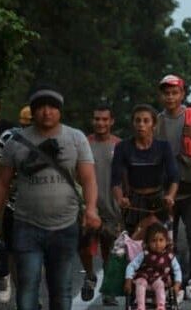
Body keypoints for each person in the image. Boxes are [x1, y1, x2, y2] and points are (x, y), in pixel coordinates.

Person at [0, 84, 101, 310]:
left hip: (65, 225)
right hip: (26, 225)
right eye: (40, 107)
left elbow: (89, 178)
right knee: (27, 288)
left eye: (52, 106)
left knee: (61, 290)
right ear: (32, 111)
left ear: (60, 110)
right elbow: (1, 185)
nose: (46, 112)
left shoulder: (76, 138)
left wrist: (91, 209)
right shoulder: (16, 142)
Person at [155, 74, 191, 307]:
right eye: (166, 93)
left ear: (182, 94)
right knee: (167, 239)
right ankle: (172, 281)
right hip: (167, 190)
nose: (170, 97)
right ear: (161, 96)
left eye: (174, 93)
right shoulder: (157, 120)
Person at [111, 105, 179, 234]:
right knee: (134, 244)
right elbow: (115, 180)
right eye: (137, 120)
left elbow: (174, 177)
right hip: (134, 202)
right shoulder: (122, 147)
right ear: (133, 123)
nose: (141, 124)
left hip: (159, 201)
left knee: (160, 243)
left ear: (153, 124)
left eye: (146, 121)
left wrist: (170, 196)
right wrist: (120, 199)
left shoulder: (163, 147)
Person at [79, 103, 121, 305]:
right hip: (89, 206)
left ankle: (109, 288)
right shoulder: (83, 143)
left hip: (113, 208)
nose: (100, 123)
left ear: (111, 121)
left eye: (105, 119)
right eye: (97, 119)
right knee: (85, 247)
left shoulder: (120, 145)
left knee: (110, 250)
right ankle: (89, 275)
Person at [124, 223, 182, 310]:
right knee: (140, 282)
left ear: (166, 241)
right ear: (148, 242)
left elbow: (177, 270)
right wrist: (128, 280)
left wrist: (177, 284)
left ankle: (161, 306)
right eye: (154, 241)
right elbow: (131, 266)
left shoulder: (170, 256)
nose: (158, 244)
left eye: (161, 240)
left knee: (160, 284)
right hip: (144, 278)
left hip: (159, 279)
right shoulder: (145, 254)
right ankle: (140, 306)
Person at [0, 87, 14, 303]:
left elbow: (11, 160)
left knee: (2, 236)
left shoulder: (8, 130)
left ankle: (4, 274)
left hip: (2, 190)